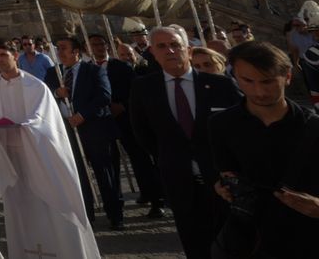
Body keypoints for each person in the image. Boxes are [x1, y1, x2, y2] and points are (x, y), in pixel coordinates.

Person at [0, 38, 101, 259]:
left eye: (3, 55)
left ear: (15, 56)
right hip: (10, 158)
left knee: (50, 207)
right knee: (21, 210)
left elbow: (44, 121)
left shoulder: (35, 86)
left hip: (39, 156)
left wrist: (23, 127)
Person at [130, 24, 242, 259]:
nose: (170, 51)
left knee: (235, 243)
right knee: (195, 244)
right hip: (178, 180)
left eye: (175, 45)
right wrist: (169, 157)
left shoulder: (220, 85)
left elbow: (239, 128)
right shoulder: (143, 88)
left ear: (189, 50)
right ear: (152, 52)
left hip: (224, 183)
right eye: (162, 46)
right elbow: (143, 133)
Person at [210, 41, 319, 256]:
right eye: (248, 81)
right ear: (235, 77)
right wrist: (222, 187)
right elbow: (226, 174)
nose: (258, 91)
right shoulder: (220, 124)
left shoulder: (314, 127)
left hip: (309, 237)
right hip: (252, 240)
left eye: (268, 81)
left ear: (287, 76)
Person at [88, 32, 163, 218]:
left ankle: (156, 200)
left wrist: (122, 105)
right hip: (101, 123)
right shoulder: (86, 70)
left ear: (107, 45)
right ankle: (115, 205)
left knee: (139, 160)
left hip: (125, 119)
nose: (98, 47)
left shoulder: (121, 66)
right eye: (93, 44)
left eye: (101, 43)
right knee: (109, 165)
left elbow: (135, 91)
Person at [52, 35, 124, 229]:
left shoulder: (93, 70)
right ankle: (86, 214)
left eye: (64, 48)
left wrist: (83, 114)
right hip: (69, 132)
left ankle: (115, 214)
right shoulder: (55, 73)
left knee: (105, 173)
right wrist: (57, 94)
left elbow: (104, 95)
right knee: (78, 174)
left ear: (76, 51)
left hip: (96, 129)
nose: (59, 52)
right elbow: (45, 95)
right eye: (58, 48)